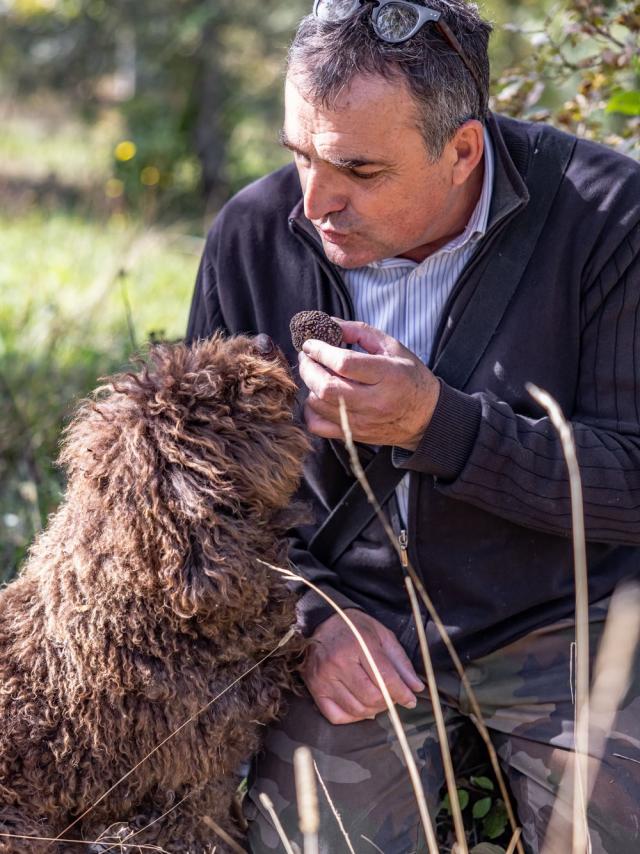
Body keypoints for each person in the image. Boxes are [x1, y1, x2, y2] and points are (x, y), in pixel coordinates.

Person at [186, 0, 640, 851]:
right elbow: (195, 495)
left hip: (567, 624)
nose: (314, 202)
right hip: (353, 624)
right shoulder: (253, 232)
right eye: (299, 155)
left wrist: (441, 426)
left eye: (359, 169)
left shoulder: (612, 222)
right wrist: (308, 615)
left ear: (462, 149)